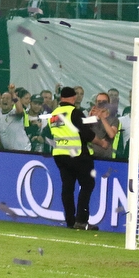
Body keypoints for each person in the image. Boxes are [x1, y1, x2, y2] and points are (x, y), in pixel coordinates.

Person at [47, 86, 99, 230]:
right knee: (87, 184)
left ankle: (70, 221)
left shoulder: (54, 114)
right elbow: (86, 133)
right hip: (77, 155)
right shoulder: (75, 112)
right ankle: (81, 221)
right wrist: (101, 142)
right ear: (73, 97)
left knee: (67, 188)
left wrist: (89, 119)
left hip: (60, 154)